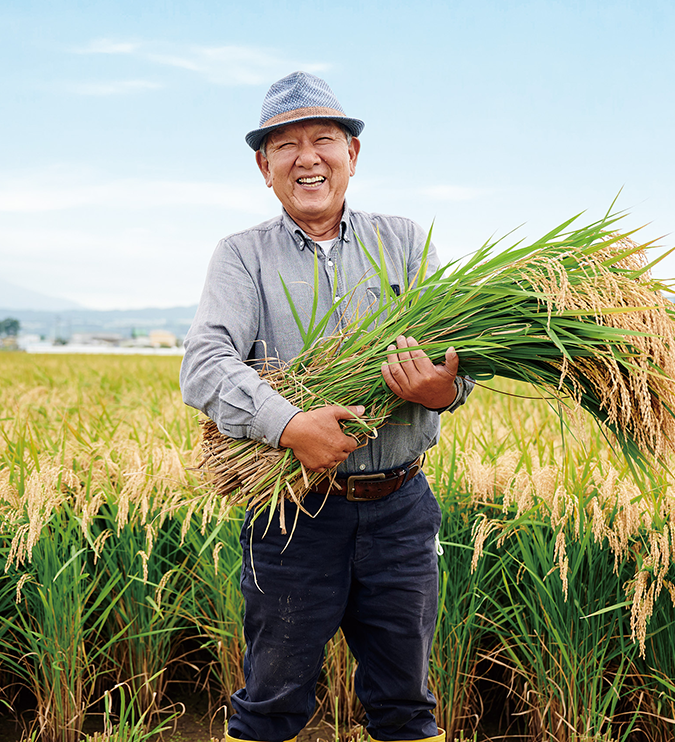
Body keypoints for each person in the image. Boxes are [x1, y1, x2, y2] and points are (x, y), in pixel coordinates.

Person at [179, 71, 470, 742]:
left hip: (401, 510)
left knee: (406, 704)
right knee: (271, 702)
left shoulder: (404, 242)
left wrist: (441, 390)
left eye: (324, 140)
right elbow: (205, 365)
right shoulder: (241, 258)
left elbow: (462, 361)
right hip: (292, 516)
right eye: (287, 146)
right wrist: (289, 424)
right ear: (265, 165)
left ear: (353, 154)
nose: (308, 157)